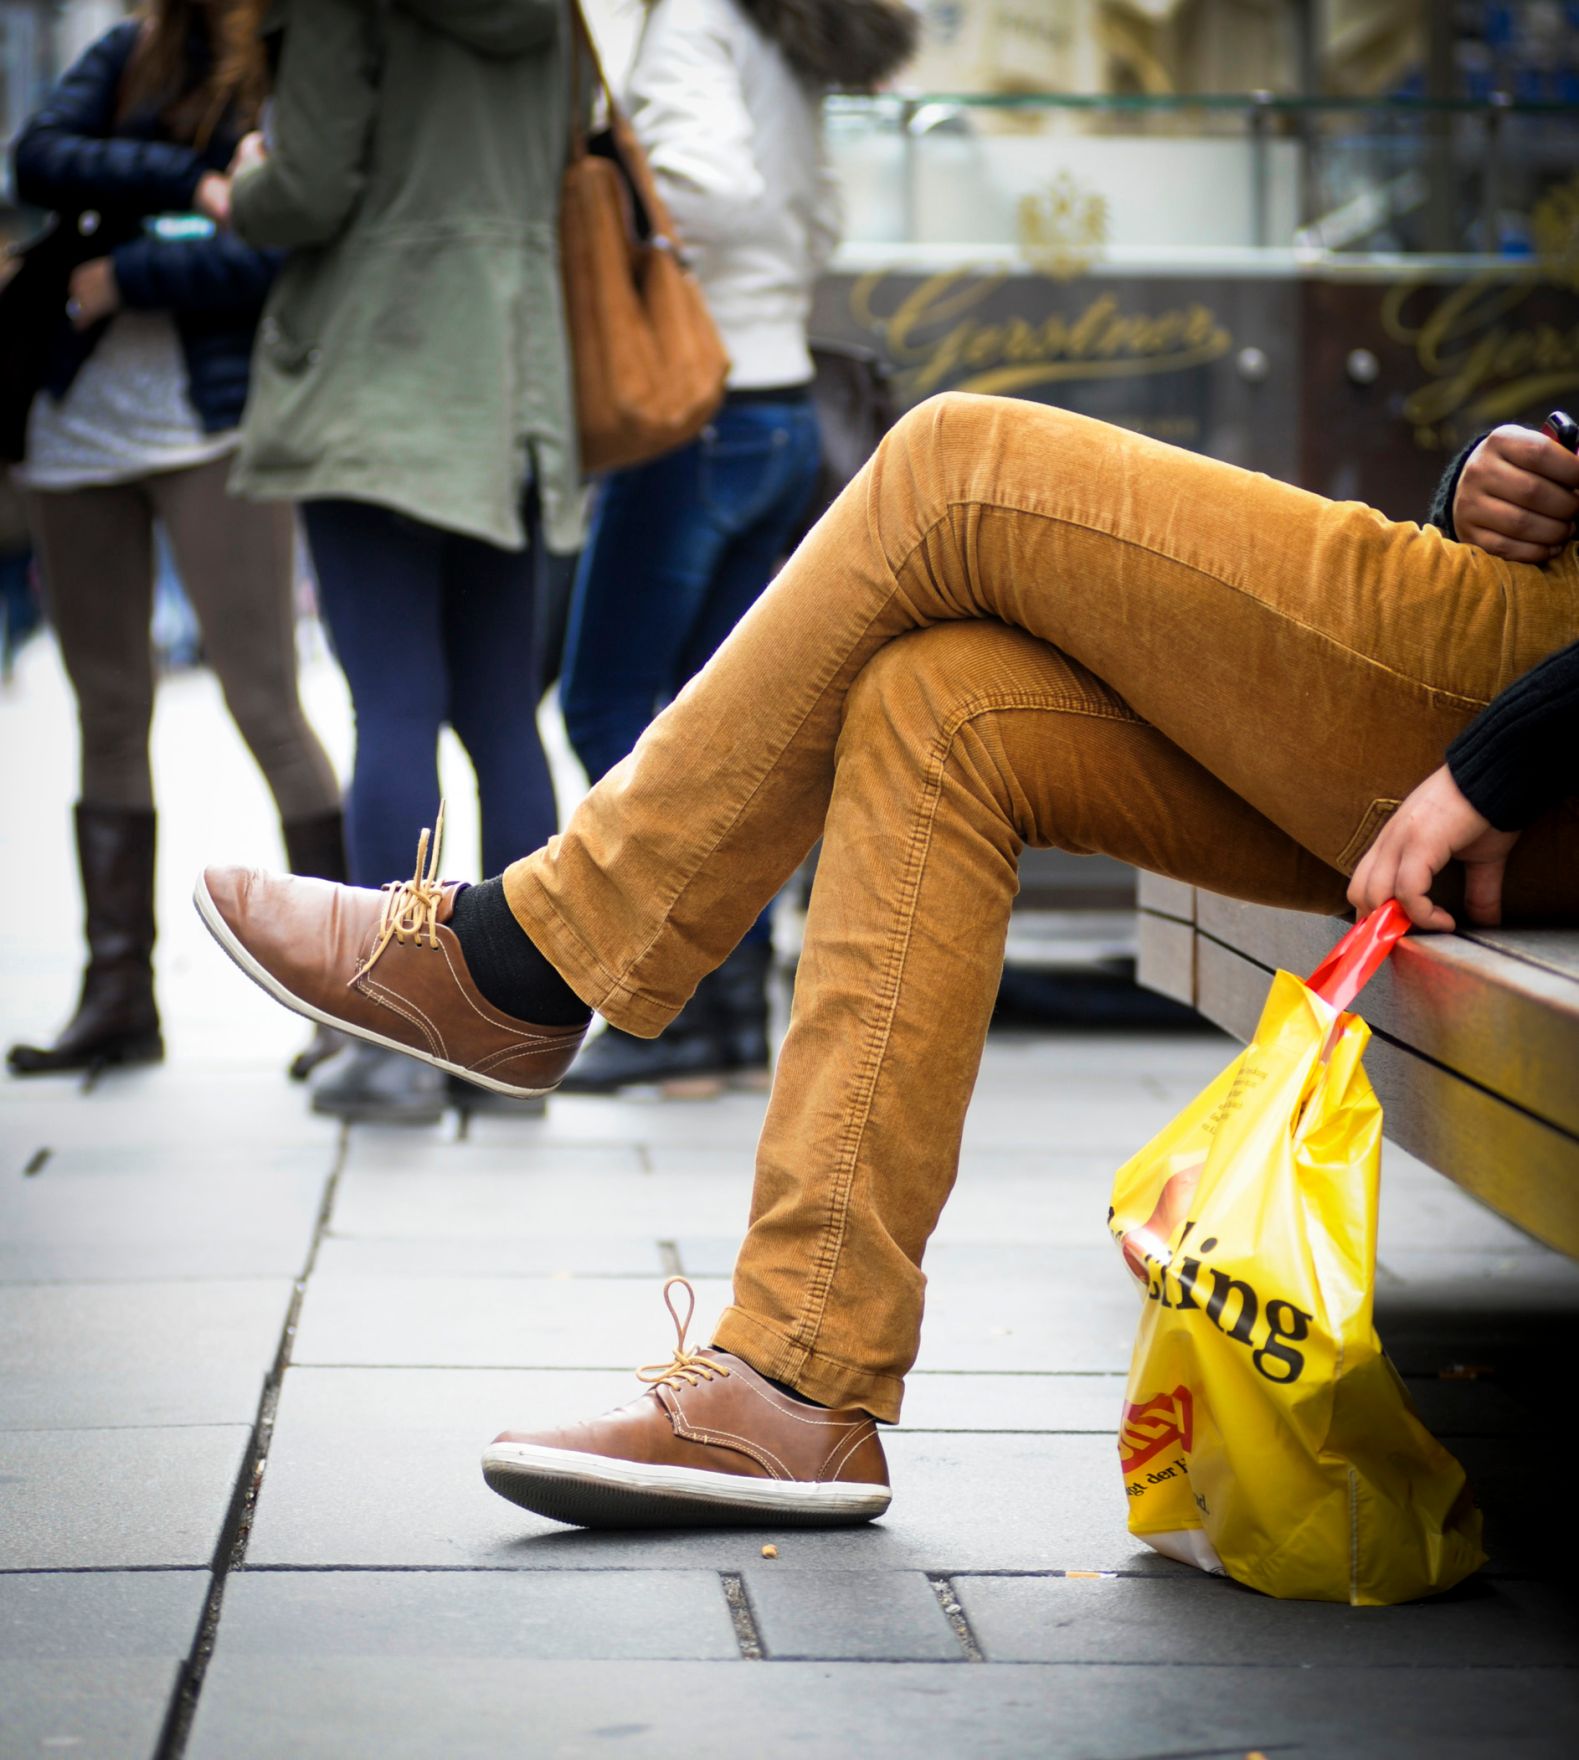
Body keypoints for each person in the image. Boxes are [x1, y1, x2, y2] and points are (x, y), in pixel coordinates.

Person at [195, 395, 1579, 1527]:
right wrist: (1496, 468)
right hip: (1522, 643)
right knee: (939, 706)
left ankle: (533, 956)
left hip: (1540, 709)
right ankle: (799, 1379)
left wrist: (1508, 756)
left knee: (950, 466)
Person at [203, 0, 579, 1124]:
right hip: (515, 369)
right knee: (504, 714)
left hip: (382, 367)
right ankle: (528, 1030)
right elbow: (568, 150)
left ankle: (391, 1033)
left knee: (394, 703)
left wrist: (241, 187)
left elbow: (309, 187)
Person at [557, 0, 917, 1094]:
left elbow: (714, 195)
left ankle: (672, 1010)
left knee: (607, 705)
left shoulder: (688, 25)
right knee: (729, 732)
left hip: (698, 406)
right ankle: (723, 1011)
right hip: (777, 398)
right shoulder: (773, 29)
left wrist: (644, 242)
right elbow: (811, 216)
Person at [6, 0, 344, 1082]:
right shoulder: (130, 47)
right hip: (77, 426)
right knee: (107, 704)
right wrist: (188, 186)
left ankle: (342, 1000)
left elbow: (284, 258)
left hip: (213, 425)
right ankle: (117, 997)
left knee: (265, 701)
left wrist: (129, 273)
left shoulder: (290, 64)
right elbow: (41, 158)